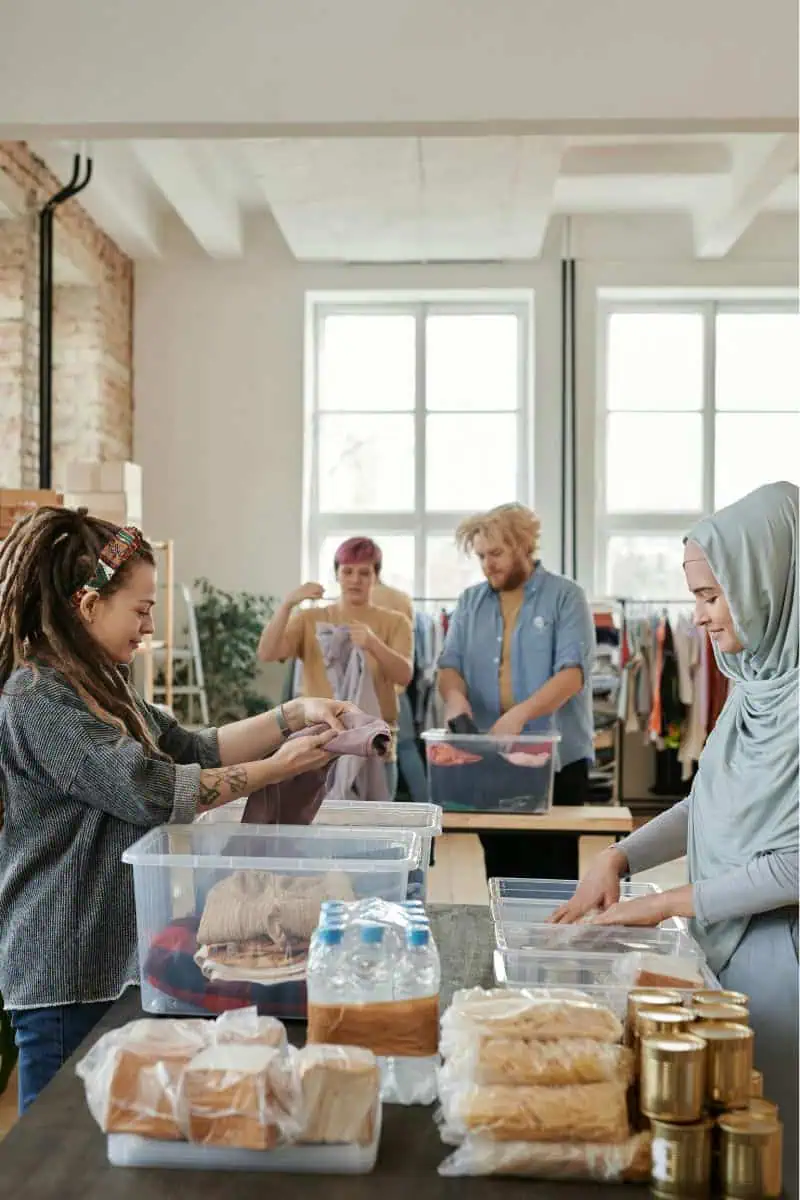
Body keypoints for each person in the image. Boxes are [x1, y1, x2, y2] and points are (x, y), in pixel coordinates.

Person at [0, 508, 359, 1113]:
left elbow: (192, 746)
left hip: (110, 959)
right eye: (139, 610)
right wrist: (280, 767)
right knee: (54, 1147)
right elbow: (148, 789)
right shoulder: (37, 699)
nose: (147, 627)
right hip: (63, 966)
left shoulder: (104, 685)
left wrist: (292, 715)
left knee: (106, 1128)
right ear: (88, 605)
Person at [552, 481, 798, 1197]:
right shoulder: (756, 683)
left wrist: (668, 904)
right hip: (730, 943)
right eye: (695, 597)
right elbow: (706, 806)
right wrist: (620, 855)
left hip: (783, 960)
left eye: (713, 597)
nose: (699, 619)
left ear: (768, 581)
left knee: (773, 1150)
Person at [437, 503, 595, 880]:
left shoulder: (566, 597)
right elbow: (449, 666)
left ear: (525, 546)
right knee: (501, 867)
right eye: (481, 556)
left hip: (557, 761)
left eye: (496, 554)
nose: (488, 564)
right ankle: (504, 938)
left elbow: (572, 674)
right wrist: (455, 698)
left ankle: (551, 941)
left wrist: (519, 716)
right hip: (491, 756)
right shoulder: (469, 603)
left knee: (551, 868)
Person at [258, 536, 413, 798]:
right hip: (318, 747)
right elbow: (268, 652)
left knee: (375, 828)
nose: (355, 580)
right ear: (337, 575)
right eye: (348, 571)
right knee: (318, 830)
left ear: (376, 577)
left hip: (377, 746)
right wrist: (287, 605)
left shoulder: (395, 622)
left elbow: (405, 676)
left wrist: (374, 644)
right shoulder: (310, 619)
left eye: (364, 572)